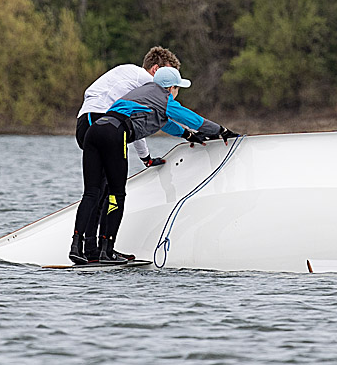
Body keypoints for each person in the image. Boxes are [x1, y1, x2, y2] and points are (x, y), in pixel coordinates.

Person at [68, 67, 238, 264]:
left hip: (94, 131)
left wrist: (188, 135)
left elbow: (163, 123)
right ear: (171, 88)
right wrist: (222, 131)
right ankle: (108, 250)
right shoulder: (165, 98)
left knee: (91, 193)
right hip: (114, 134)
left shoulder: (143, 93)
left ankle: (77, 247)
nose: (177, 93)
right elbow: (195, 120)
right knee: (117, 194)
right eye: (177, 88)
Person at [75, 46, 181, 261]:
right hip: (104, 124)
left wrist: (145, 157)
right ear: (155, 69)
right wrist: (146, 158)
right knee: (113, 193)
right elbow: (132, 123)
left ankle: (87, 248)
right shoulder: (147, 82)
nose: (168, 87)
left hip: (84, 125)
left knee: (97, 191)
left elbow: (131, 124)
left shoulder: (126, 73)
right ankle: (105, 249)